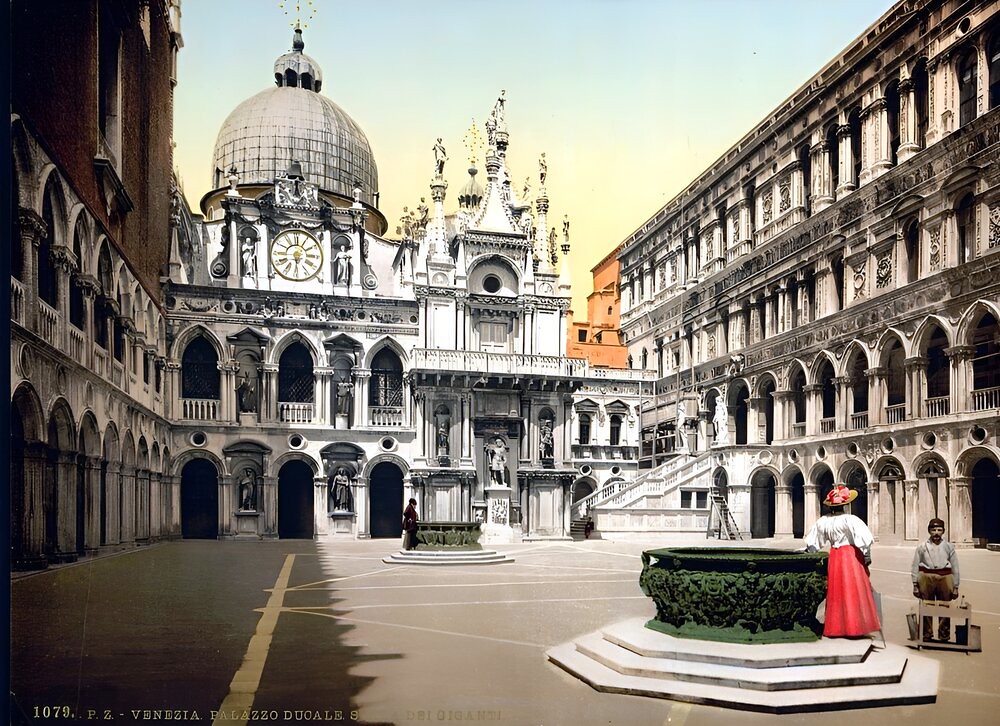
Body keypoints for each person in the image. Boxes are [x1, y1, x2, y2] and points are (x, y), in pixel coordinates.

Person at [804, 484, 880, 638]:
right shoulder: (850, 520)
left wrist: (810, 552)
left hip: (835, 556)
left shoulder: (824, 521)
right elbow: (863, 538)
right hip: (851, 557)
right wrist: (866, 556)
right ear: (845, 505)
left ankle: (836, 627)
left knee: (836, 590)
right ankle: (855, 627)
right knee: (853, 589)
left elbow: (813, 543)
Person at [912, 517, 961, 641]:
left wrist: (955, 586)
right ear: (929, 531)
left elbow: (955, 567)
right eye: (933, 530)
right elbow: (915, 565)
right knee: (926, 605)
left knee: (944, 606)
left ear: (943, 531)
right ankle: (926, 634)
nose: (936, 533)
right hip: (926, 577)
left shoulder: (949, 547)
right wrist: (915, 584)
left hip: (945, 578)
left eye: (939, 530)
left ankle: (944, 635)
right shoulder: (922, 547)